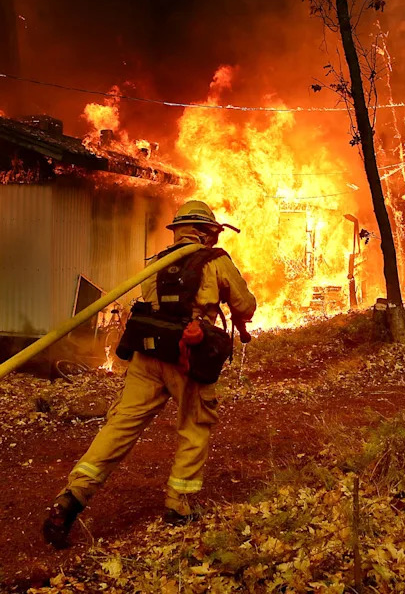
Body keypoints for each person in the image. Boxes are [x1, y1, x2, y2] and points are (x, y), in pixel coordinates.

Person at [43, 200, 257, 548]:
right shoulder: (216, 260)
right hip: (187, 359)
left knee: (120, 425)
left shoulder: (156, 263)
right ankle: (179, 504)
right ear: (206, 233)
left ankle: (73, 494)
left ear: (178, 232)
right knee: (194, 425)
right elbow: (245, 305)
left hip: (147, 355)